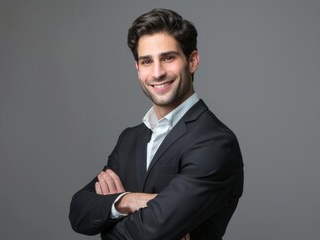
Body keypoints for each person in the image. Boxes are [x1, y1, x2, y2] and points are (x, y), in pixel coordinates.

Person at [69, 8, 244, 240]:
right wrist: (128, 201)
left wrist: (110, 221)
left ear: (192, 61)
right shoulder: (130, 139)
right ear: (138, 69)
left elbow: (152, 232)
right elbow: (79, 212)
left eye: (168, 58)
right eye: (147, 61)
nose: (158, 72)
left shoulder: (215, 142)